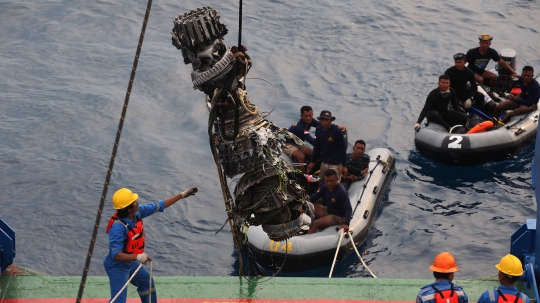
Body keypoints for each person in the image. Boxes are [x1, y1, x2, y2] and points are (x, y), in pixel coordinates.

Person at [104, 187, 198, 303]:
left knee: (147, 282)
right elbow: (116, 254)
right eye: (134, 201)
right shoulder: (118, 227)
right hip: (117, 266)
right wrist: (137, 257)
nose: (136, 202)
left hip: (130, 263)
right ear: (128, 209)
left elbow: (159, 205)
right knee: (118, 300)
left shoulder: (137, 213)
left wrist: (181, 195)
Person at [307, 110, 347, 182]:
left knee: (333, 185)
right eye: (322, 119)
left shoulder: (337, 132)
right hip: (324, 163)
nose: (324, 122)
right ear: (320, 120)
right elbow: (317, 147)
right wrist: (312, 162)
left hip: (335, 164)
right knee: (321, 183)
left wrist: (344, 166)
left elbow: (343, 149)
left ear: (331, 120)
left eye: (327, 120)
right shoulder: (318, 129)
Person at [307, 169, 352, 234]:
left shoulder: (342, 192)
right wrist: (303, 205)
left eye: (331, 181)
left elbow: (348, 209)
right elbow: (314, 197)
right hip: (329, 210)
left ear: (337, 179)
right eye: (326, 181)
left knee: (314, 224)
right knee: (308, 207)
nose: (329, 183)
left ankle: (309, 238)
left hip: (338, 217)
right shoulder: (325, 187)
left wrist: (346, 224)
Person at [283, 106, 321, 173]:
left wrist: (336, 127)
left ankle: (309, 171)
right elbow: (312, 141)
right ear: (301, 116)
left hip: (299, 143)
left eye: (310, 115)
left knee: (315, 154)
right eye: (306, 116)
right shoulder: (300, 127)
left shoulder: (311, 121)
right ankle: (303, 177)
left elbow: (321, 124)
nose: (308, 118)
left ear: (312, 114)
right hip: (289, 144)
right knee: (301, 157)